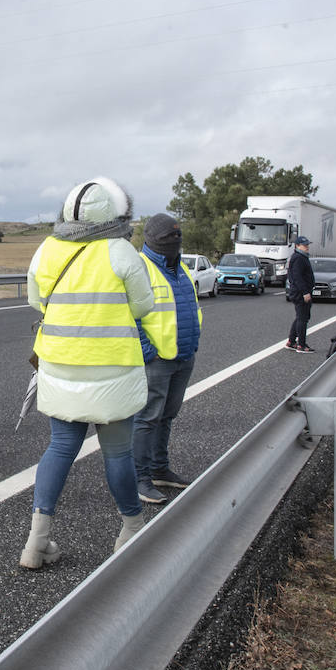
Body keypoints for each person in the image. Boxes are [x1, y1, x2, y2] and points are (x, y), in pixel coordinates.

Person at [18, 177, 154, 570]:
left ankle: (36, 541)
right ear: (111, 212)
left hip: (59, 365)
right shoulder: (121, 252)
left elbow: (34, 300)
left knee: (60, 447)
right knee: (117, 453)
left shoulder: (46, 249)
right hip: (112, 367)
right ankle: (131, 526)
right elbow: (143, 307)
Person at [133, 214, 202, 506]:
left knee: (167, 417)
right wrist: (149, 352)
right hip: (156, 360)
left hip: (183, 355)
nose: (174, 243)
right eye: (167, 239)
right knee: (147, 419)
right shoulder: (139, 268)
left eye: (177, 237)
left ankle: (160, 469)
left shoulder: (182, 267)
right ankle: (139, 479)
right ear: (151, 240)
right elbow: (129, 318)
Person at [284, 236, 315, 353]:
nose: (307, 247)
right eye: (305, 245)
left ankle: (291, 341)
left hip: (300, 292)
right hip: (300, 293)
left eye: (307, 245)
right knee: (302, 319)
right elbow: (297, 277)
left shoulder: (301, 257)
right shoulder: (298, 258)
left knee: (301, 317)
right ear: (297, 246)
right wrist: (305, 292)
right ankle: (301, 345)